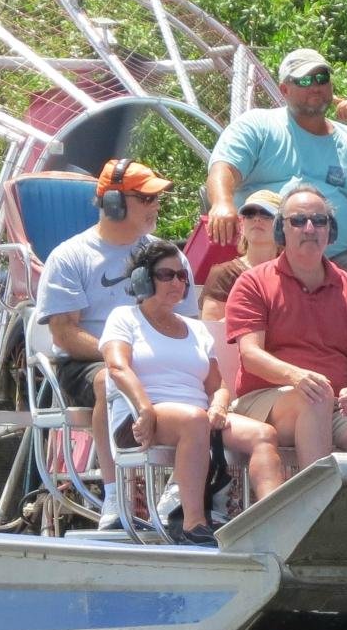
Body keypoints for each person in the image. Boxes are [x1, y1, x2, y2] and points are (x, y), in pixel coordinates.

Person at [36, 159, 191, 528]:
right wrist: (121, 354)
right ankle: (116, 496)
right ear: (113, 204)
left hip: (159, 359)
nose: (156, 206)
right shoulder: (71, 256)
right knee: (112, 380)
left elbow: (189, 322)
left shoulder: (167, 257)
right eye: (146, 198)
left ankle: (191, 496)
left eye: (156, 198)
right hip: (89, 363)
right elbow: (65, 334)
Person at [101, 242, 287, 545]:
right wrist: (145, 408)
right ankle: (193, 524)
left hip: (198, 416)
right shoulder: (124, 318)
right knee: (194, 420)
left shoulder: (197, 329)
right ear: (143, 280)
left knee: (263, 434)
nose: (177, 282)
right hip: (142, 417)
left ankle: (274, 525)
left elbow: (219, 386)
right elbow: (117, 367)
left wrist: (219, 406)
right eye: (166, 275)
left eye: (182, 276)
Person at [226, 184, 347, 466]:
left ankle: (340, 500)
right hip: (265, 401)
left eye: (319, 221)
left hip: (331, 405)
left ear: (330, 230)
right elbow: (250, 356)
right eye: (298, 221)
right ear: (280, 230)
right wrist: (297, 376)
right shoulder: (253, 282)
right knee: (315, 397)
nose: (309, 228)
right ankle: (319, 499)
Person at [204, 48, 347, 275]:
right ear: (284, 89)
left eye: (321, 78)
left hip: (340, 259)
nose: (315, 86)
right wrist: (221, 203)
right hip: (265, 259)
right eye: (304, 80)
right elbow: (224, 167)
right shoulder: (258, 125)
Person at [199, 188, 282, 391]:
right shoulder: (224, 274)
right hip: (232, 373)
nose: (257, 219)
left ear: (282, 226)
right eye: (249, 214)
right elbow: (211, 334)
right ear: (241, 224)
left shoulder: (294, 275)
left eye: (266, 214)